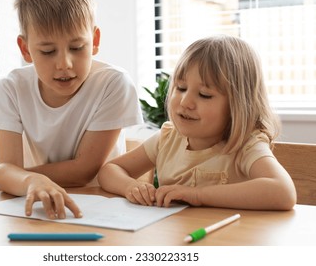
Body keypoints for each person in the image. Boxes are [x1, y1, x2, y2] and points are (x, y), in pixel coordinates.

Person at [0, 0, 143, 219]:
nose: (64, 64)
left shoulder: (113, 83)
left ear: (94, 40)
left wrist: (7, 176)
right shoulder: (12, 87)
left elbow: (83, 172)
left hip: (100, 206)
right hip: (38, 206)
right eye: (47, 51)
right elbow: (6, 168)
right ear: (26, 49)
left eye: (76, 48)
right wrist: (22, 178)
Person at [98, 35, 297, 211]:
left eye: (204, 95)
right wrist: (130, 187)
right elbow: (109, 171)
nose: (185, 102)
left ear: (238, 105)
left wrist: (197, 195)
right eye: (181, 88)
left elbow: (283, 192)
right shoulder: (168, 138)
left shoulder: (246, 146)